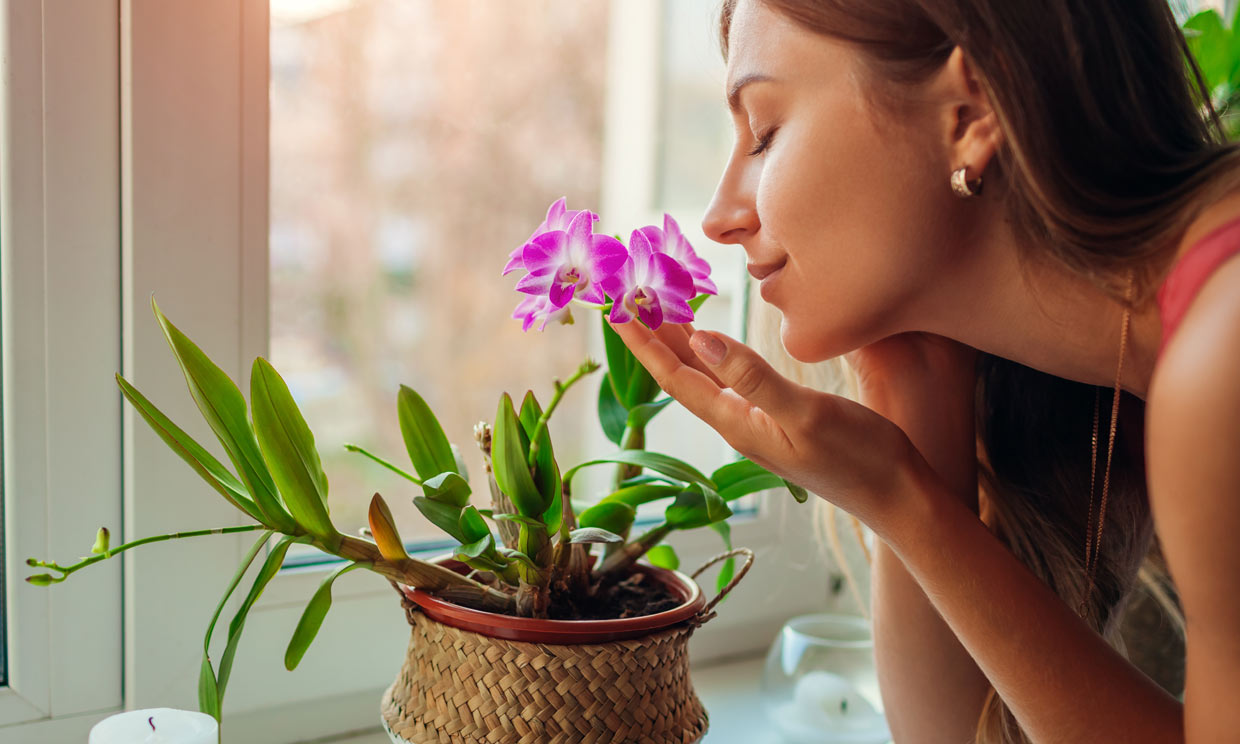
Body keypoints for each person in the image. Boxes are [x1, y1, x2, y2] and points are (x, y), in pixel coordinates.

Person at [607, 1, 1240, 742]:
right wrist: (911, 412)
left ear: (970, 113)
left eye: (766, 131)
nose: (719, 216)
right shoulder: (1136, 360)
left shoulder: (1221, 353)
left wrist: (902, 498)